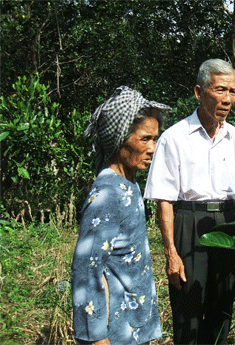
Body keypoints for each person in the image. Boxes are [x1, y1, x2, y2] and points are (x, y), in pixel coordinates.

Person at [144, 59, 235, 345]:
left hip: (228, 224)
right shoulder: (174, 138)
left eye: (233, 91)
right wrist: (171, 253)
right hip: (189, 224)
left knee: (221, 309)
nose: (228, 99)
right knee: (189, 312)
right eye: (220, 89)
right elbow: (164, 200)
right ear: (199, 92)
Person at [71, 86, 171, 345]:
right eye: (145, 139)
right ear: (118, 140)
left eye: (155, 138)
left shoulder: (129, 183)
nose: (153, 148)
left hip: (133, 323)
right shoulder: (107, 195)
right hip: (114, 333)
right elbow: (86, 269)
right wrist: (96, 338)